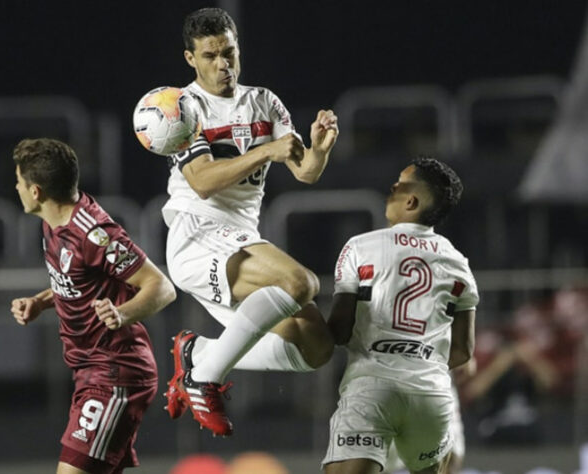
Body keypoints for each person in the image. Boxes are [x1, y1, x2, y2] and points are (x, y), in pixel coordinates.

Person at [162, 7, 339, 437]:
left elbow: (305, 172)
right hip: (198, 234)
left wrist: (319, 149)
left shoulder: (264, 101)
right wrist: (265, 152)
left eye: (229, 52)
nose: (223, 64)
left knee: (316, 345)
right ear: (191, 59)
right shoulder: (182, 109)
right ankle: (203, 378)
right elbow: (202, 182)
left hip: (240, 240)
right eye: (210, 56)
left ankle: (200, 353)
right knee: (302, 283)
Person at [9, 138, 176, 474]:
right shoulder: (53, 223)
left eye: (19, 182)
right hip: (90, 372)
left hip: (114, 373)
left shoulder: (95, 234)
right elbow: (79, 282)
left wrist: (121, 313)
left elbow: (162, 287)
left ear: (36, 191)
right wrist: (40, 302)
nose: (16, 188)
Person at [323, 157, 479, 474]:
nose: (392, 188)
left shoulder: (360, 246)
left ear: (411, 200)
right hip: (431, 393)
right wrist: (419, 358)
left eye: (400, 183)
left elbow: (339, 330)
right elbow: (464, 351)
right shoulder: (458, 262)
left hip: (373, 387)